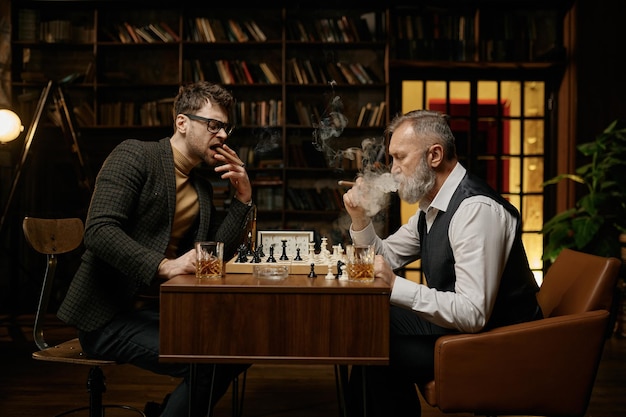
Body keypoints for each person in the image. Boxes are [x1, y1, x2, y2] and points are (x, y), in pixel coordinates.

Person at [57, 81, 254, 417]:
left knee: (242, 348)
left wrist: (243, 198)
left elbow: (214, 252)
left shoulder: (201, 189)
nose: (222, 135)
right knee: (210, 362)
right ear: (182, 122)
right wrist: (165, 266)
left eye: (225, 127)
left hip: (157, 309)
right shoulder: (136, 155)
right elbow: (100, 231)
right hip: (107, 316)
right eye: (214, 125)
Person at [342, 109, 542, 416]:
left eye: (400, 158)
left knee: (374, 347)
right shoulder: (431, 208)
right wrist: (359, 217)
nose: (392, 170)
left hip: (501, 341)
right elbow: (383, 258)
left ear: (434, 155)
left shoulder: (475, 210)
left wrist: (395, 284)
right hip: (465, 331)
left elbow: (473, 314)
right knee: (368, 324)